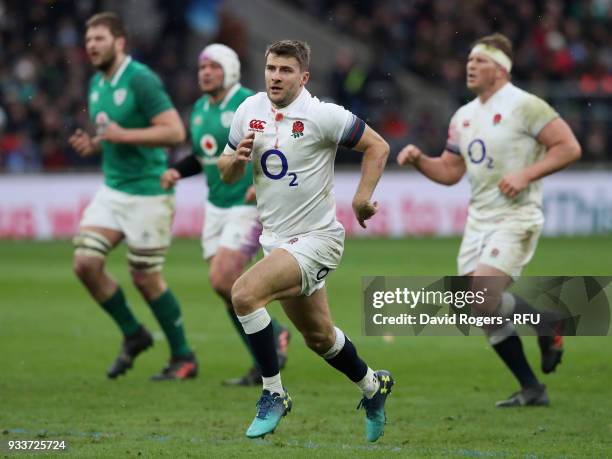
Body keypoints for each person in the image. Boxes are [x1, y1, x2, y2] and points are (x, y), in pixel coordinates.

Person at [218, 40, 393, 442]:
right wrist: (235, 160)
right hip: (277, 242)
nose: (275, 77)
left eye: (285, 70)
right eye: (271, 68)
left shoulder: (322, 115)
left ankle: (273, 394)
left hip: (318, 240)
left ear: (304, 76)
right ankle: (373, 385)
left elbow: (377, 146)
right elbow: (226, 173)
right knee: (319, 337)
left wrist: (362, 197)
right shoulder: (249, 111)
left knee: (243, 294)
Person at [397, 33, 581, 407]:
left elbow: (569, 147)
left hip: (517, 215)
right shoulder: (463, 116)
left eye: (479, 61)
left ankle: (547, 324)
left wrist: (526, 175)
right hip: (479, 221)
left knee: (483, 295)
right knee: (477, 305)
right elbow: (450, 171)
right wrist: (420, 160)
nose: (470, 66)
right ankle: (532, 386)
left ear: (500, 69)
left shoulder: (527, 106)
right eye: (469, 60)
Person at [69, 12, 197, 381]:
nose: (91, 45)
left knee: (146, 278)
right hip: (113, 189)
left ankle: (184, 357)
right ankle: (134, 333)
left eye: (99, 38)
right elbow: (115, 134)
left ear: (119, 42)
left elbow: (174, 131)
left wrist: (123, 136)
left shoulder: (141, 79)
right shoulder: (97, 83)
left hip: (148, 191)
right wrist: (95, 145)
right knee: (85, 264)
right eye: (88, 39)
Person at [160, 43, 290, 386]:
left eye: (213, 67)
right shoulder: (200, 109)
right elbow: (203, 156)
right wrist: (177, 171)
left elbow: (280, 141)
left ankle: (274, 339)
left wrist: (265, 184)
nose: (205, 72)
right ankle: (266, 352)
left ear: (230, 70)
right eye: (201, 67)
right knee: (229, 290)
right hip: (216, 207)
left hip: (247, 205)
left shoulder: (250, 103)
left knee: (222, 279)